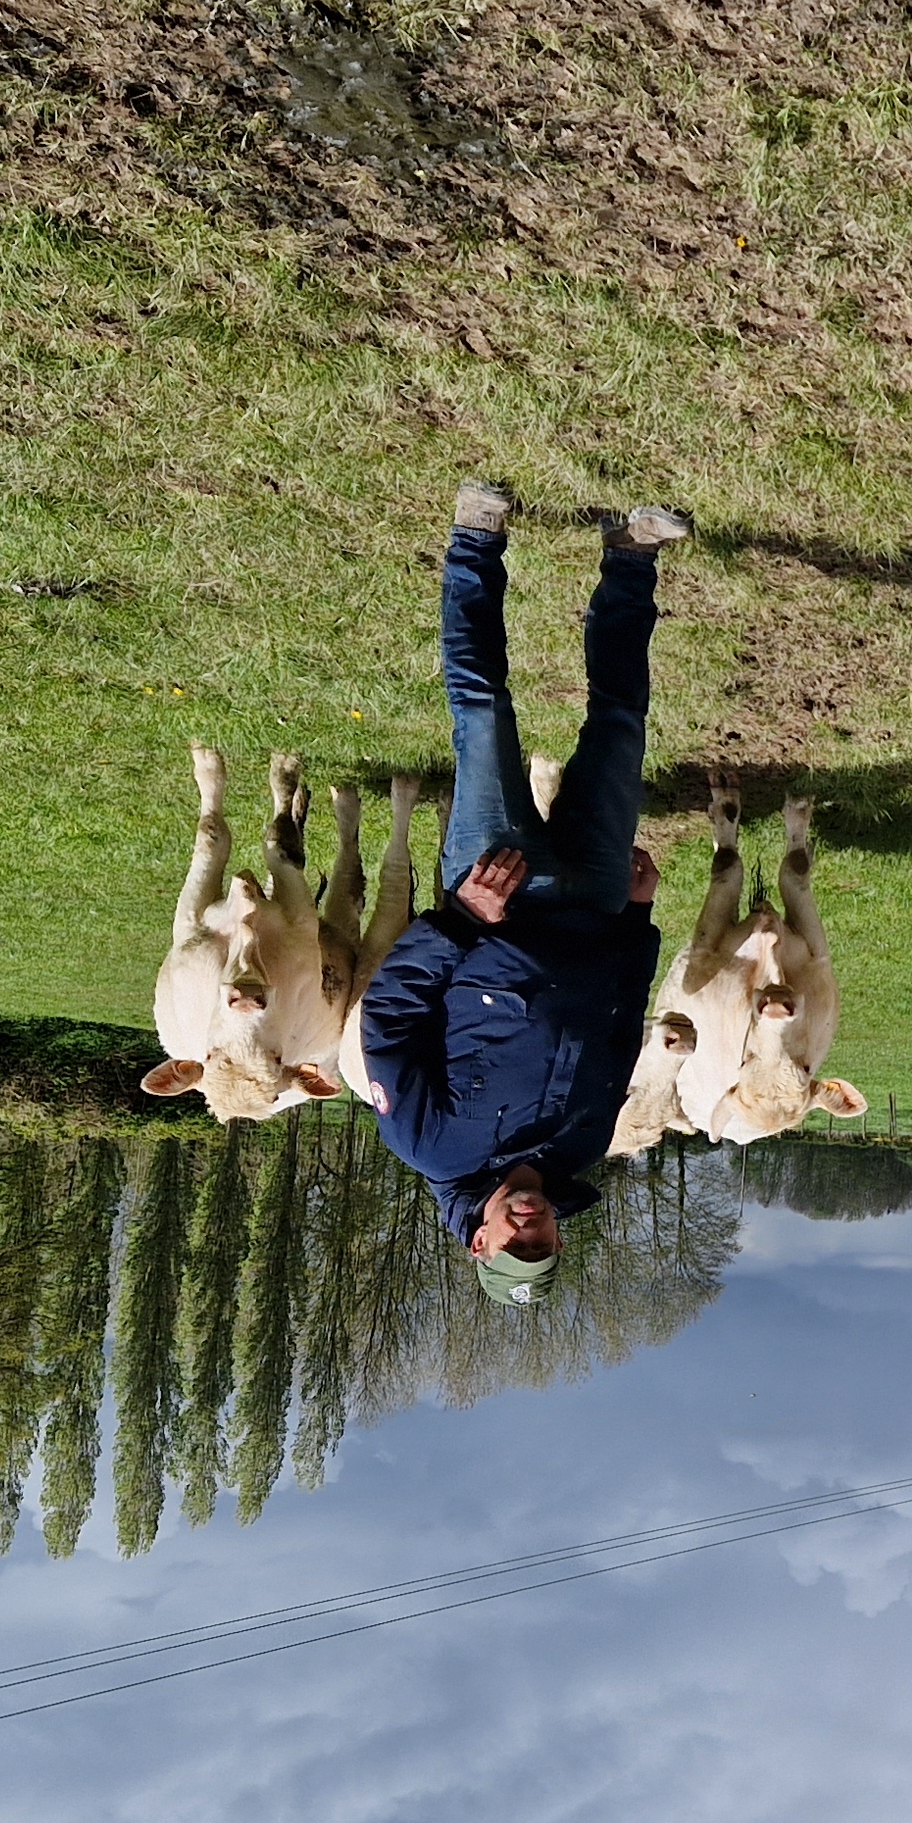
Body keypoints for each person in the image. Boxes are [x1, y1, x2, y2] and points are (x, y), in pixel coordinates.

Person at [352, 479, 685, 1304]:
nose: (529, 1222)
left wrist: (463, 917)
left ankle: (475, 539)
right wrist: (639, 923)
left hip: (492, 893)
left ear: (479, 1242)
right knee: (620, 727)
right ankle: (630, 556)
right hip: (600, 900)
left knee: (480, 713)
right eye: (541, 1237)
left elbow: (389, 1015)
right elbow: (617, 1032)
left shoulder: (429, 1145)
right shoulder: (585, 1147)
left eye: (514, 1238)